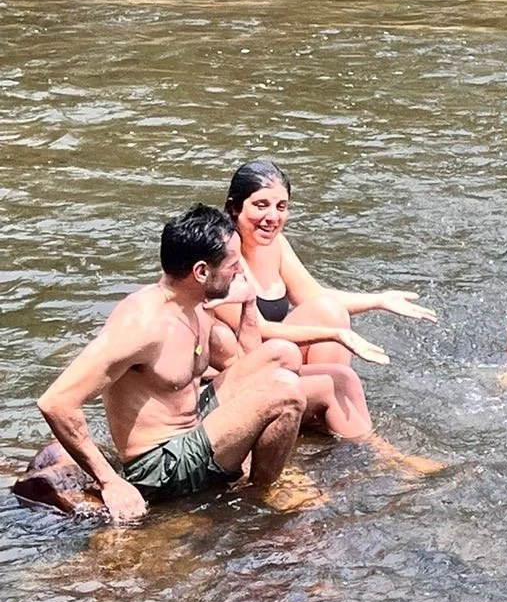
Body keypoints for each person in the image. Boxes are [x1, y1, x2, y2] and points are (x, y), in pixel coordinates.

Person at [35, 206, 307, 521]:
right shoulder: (142, 326)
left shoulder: (195, 304)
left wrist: (248, 304)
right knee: (287, 391)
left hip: (193, 428)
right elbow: (56, 402)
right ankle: (258, 497)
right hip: (160, 465)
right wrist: (110, 481)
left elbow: (242, 363)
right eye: (234, 265)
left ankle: (249, 474)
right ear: (201, 272)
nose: (241, 274)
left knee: (282, 354)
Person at [214, 159, 436, 439]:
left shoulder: (276, 245)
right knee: (337, 362)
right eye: (261, 205)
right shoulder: (222, 256)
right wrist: (335, 334)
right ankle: (370, 446)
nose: (272, 217)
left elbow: (314, 297)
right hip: (241, 371)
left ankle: (324, 418)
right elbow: (258, 327)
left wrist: (379, 300)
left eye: (281, 207)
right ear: (235, 207)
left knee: (329, 310)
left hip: (280, 359)